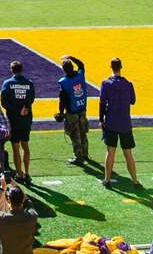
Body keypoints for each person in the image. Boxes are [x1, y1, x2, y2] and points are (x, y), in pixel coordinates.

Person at [98, 57, 137, 188]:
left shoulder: (106, 83)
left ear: (111, 67)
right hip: (125, 122)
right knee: (128, 153)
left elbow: (102, 103)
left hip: (111, 122)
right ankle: (135, 181)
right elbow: (133, 101)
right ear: (121, 66)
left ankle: (107, 180)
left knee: (110, 151)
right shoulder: (128, 84)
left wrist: (101, 120)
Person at [0, 62, 35, 181]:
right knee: (25, 144)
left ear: (11, 70)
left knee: (15, 146)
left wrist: (17, 111)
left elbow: (4, 101)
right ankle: (27, 172)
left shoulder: (7, 83)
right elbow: (31, 98)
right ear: (22, 70)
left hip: (14, 119)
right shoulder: (29, 83)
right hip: (26, 117)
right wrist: (25, 108)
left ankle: (19, 174)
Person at [0, 179, 38, 254]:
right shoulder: (32, 217)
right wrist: (14, 184)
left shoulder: (2, 218)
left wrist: (2, 188)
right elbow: (28, 203)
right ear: (22, 199)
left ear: (9, 199)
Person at [56, 55, 90, 167]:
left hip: (72, 111)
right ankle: (85, 153)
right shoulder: (80, 75)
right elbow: (81, 64)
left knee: (75, 134)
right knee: (83, 131)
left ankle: (78, 156)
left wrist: (60, 112)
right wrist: (71, 57)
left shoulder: (64, 82)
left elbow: (62, 99)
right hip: (82, 108)